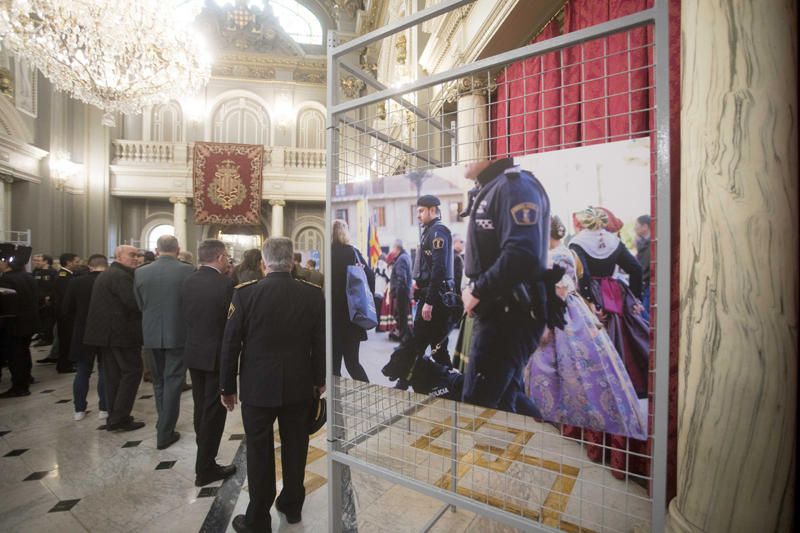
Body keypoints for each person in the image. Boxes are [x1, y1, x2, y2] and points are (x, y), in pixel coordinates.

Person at [220, 237, 325, 533]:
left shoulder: (244, 294)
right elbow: (319, 344)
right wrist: (318, 381)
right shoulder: (313, 294)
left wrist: (227, 388)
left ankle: (257, 519)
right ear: (291, 261)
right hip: (299, 385)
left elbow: (230, 346)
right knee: (296, 447)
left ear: (264, 263)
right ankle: (292, 505)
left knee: (258, 450)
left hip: (257, 387)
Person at [460, 158, 564, 417]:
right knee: (505, 401)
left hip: (509, 314)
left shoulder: (515, 187)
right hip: (501, 311)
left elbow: (522, 253)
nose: (462, 159)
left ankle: (486, 456)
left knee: (479, 405)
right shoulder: (496, 186)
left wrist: (477, 291)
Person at [525, 216, 646, 439]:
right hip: (576, 310)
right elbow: (578, 284)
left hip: (559, 314)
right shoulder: (568, 251)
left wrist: (544, 326)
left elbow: (557, 295)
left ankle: (562, 414)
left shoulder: (554, 257)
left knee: (555, 365)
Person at [569, 206, 649, 398]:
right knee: (630, 334)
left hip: (595, 295)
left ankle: (606, 387)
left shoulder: (577, 243)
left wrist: (589, 303)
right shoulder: (614, 240)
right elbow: (635, 269)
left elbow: (584, 276)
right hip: (616, 292)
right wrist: (635, 298)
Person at [181, 239, 236, 487]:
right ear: (221, 257)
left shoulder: (189, 280)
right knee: (214, 412)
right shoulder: (225, 284)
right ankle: (205, 468)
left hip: (194, 352)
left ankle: (203, 454)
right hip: (216, 356)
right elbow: (231, 324)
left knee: (201, 407)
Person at [134, 234, 194, 450]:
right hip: (178, 333)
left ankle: (163, 424)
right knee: (174, 382)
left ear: (157, 250)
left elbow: (140, 303)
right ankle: (164, 432)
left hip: (150, 334)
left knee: (159, 382)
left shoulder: (140, 272)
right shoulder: (188, 270)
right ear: (177, 250)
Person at [83, 245, 145, 432]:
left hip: (108, 335)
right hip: (120, 334)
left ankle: (114, 416)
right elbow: (133, 303)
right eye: (131, 255)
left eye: (137, 255)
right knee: (132, 371)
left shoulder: (110, 274)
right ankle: (120, 417)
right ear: (118, 256)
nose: (135, 258)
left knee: (113, 375)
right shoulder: (120, 276)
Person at [64, 254, 108, 421]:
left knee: (82, 371)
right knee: (105, 370)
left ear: (89, 266)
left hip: (83, 331)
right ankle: (104, 408)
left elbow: (66, 309)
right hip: (105, 332)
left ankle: (79, 410)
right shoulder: (110, 280)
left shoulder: (76, 282)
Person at [330, 219, 373, 382]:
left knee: (334, 366)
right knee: (353, 362)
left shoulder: (328, 252)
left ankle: (337, 402)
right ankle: (367, 396)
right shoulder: (352, 253)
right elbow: (370, 276)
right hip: (352, 315)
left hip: (333, 317)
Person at [0, 243, 38, 398]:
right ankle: (27, 377)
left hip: (13, 323)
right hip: (28, 322)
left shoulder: (6, 280)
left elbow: (5, 306)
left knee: (15, 356)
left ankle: (19, 387)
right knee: (23, 352)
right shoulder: (27, 277)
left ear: (5, 262)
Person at [54, 252, 81, 373]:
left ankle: (67, 363)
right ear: (69, 262)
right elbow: (67, 297)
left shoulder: (69, 275)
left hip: (67, 314)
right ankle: (64, 365)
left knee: (68, 339)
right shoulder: (64, 277)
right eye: (76, 261)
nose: (78, 264)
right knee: (66, 340)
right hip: (66, 315)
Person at [387, 239, 412, 343]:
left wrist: (397, 292)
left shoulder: (401, 259)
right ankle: (403, 338)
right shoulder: (406, 256)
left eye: (393, 248)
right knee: (402, 317)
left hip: (401, 292)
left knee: (401, 317)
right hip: (404, 291)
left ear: (397, 248)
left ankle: (403, 340)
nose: (393, 251)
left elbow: (401, 278)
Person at [31, 253, 57, 347]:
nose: (36, 262)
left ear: (46, 261)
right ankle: (41, 334)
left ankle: (47, 338)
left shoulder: (53, 272)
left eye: (38, 260)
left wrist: (49, 296)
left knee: (47, 320)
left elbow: (55, 286)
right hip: (38, 298)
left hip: (47, 300)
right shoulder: (36, 271)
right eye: (35, 260)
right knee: (40, 318)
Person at [634, 214, 651, 321]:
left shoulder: (650, 245)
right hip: (645, 285)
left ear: (645, 226)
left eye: (637, 225)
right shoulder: (642, 243)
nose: (635, 228)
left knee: (644, 317)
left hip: (648, 285)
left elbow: (644, 267)